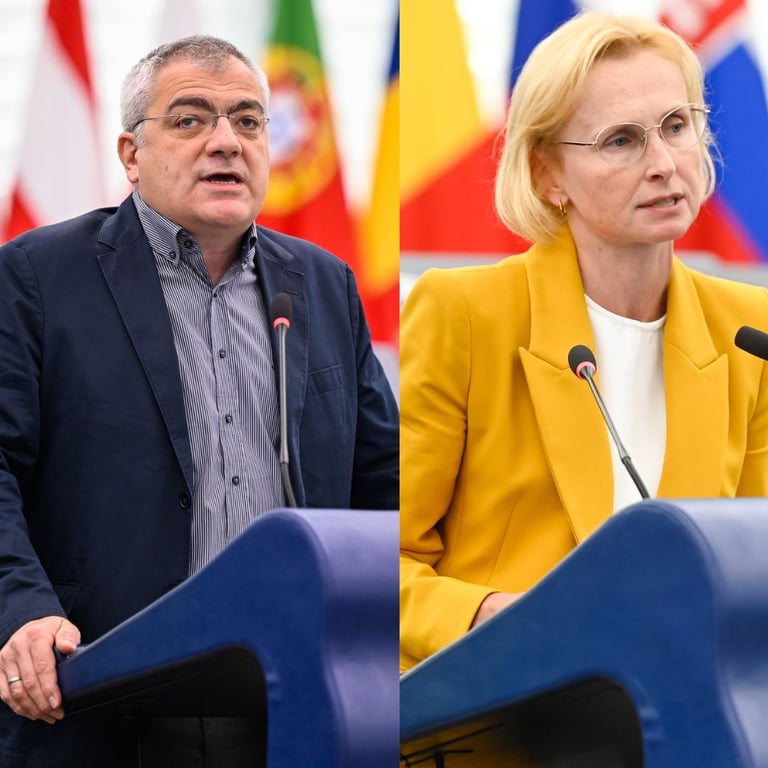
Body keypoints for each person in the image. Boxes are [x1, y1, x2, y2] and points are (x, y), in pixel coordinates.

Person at [0, 34, 399, 766]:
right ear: (130, 154)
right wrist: (20, 611)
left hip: (297, 700)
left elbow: (383, 481)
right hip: (100, 694)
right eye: (190, 120)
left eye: (249, 121)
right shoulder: (35, 277)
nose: (226, 141)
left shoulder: (322, 284)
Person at [400, 10, 768, 672]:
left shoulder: (751, 331)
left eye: (676, 127)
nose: (663, 164)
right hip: (506, 708)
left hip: (687, 714)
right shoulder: (464, 313)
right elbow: (384, 564)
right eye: (621, 141)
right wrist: (487, 614)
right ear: (547, 174)